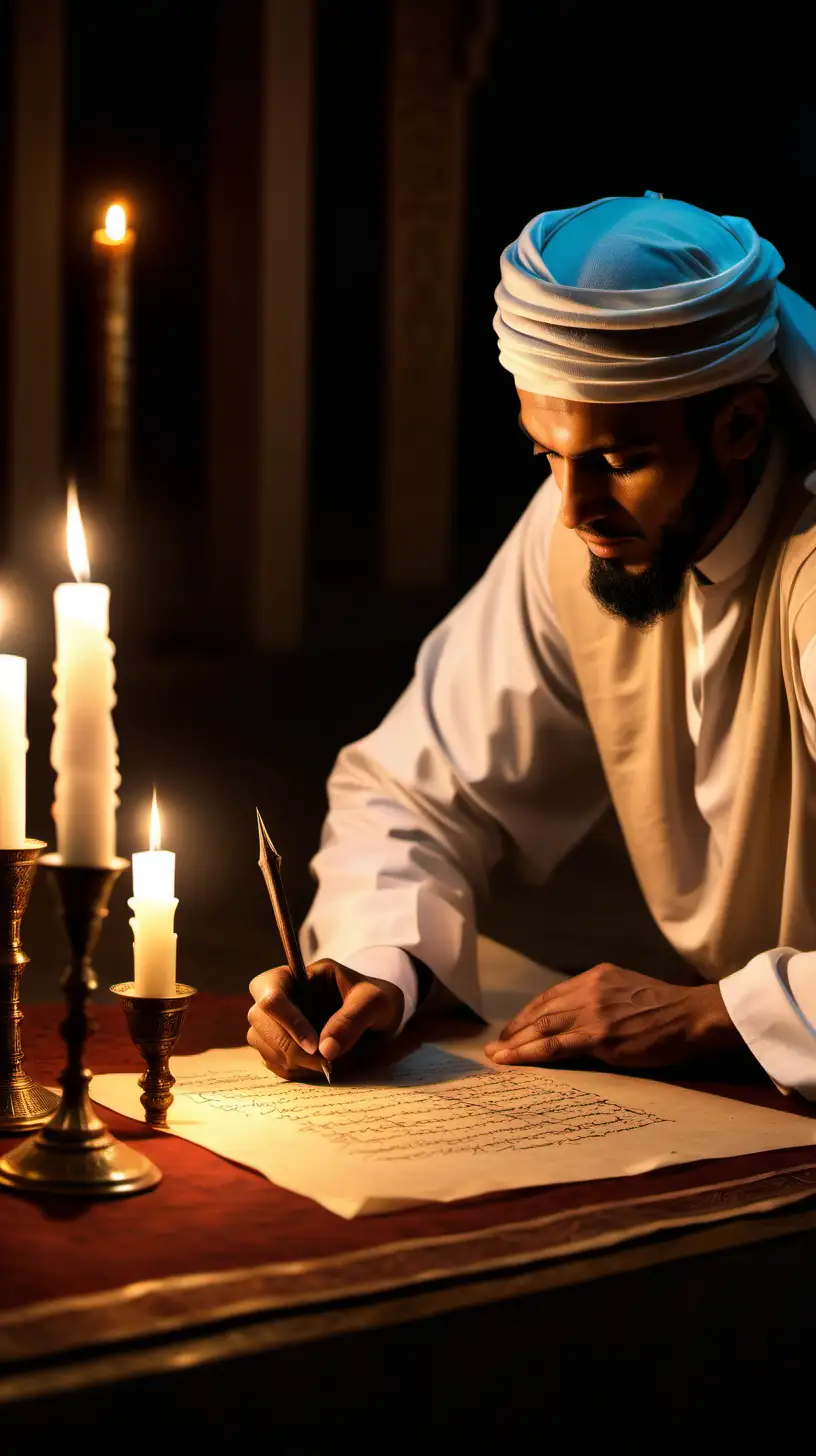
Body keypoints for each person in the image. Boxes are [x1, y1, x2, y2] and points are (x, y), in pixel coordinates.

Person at [248, 191, 816, 1098]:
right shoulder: (589, 527)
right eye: (546, 454)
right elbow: (418, 790)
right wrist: (374, 961)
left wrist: (719, 1012)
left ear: (741, 427)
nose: (573, 508)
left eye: (621, 461)